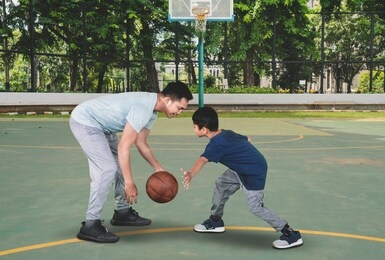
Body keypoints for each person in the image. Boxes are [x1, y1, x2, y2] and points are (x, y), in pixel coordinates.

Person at [69, 81, 193, 243]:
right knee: (106, 169)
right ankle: (90, 225)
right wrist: (129, 183)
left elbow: (141, 142)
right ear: (168, 100)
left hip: (103, 127)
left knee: (121, 165)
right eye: (179, 108)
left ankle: (122, 212)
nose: (180, 112)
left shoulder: (152, 111)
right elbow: (123, 147)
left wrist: (158, 168)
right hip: (86, 121)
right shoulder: (143, 108)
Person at [180, 106, 303, 249]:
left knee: (255, 207)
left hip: (253, 172)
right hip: (240, 169)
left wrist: (190, 174)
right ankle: (215, 221)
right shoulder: (226, 133)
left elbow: (202, 160)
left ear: (204, 129)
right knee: (221, 184)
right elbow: (247, 139)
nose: (193, 129)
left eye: (194, 126)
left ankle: (290, 234)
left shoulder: (216, 145)